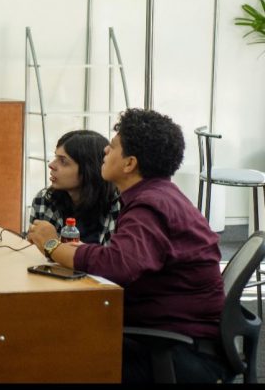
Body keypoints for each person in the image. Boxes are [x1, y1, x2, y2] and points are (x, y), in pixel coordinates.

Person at [26, 108, 229, 384]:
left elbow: (117, 265)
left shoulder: (149, 206)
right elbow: (117, 257)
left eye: (113, 146)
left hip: (175, 352)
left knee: (45, 356)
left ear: (129, 163)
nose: (106, 151)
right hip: (168, 337)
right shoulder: (156, 195)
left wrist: (52, 244)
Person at [29, 130, 119, 245]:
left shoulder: (119, 206)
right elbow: (33, 250)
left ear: (88, 170)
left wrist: (53, 245)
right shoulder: (44, 199)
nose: (51, 165)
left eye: (63, 161)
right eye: (56, 157)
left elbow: (113, 261)